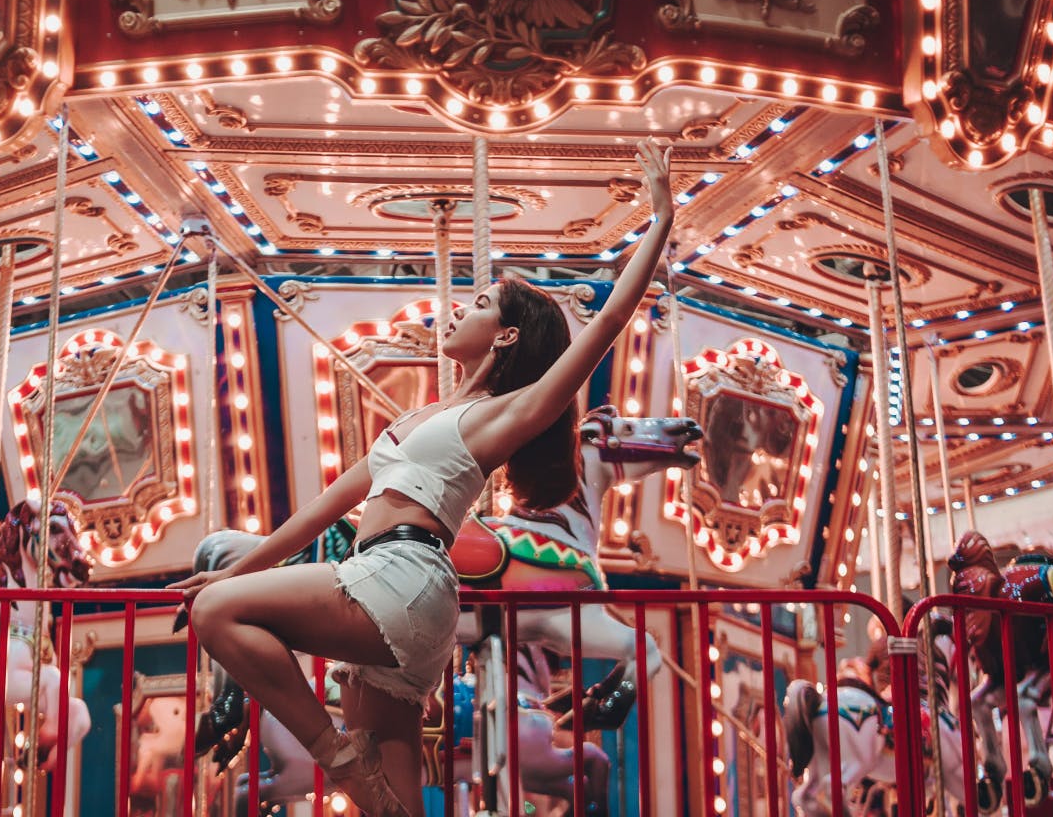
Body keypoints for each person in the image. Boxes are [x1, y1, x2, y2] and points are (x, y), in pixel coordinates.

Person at [170, 140, 676, 816]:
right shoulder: (418, 419)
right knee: (397, 806)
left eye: (480, 302)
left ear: (505, 338)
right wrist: (235, 568)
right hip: (395, 588)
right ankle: (363, 776)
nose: (459, 310)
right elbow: (322, 510)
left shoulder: (503, 416)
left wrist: (661, 217)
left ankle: (340, 762)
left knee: (215, 613)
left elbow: (609, 319)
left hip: (400, 576)